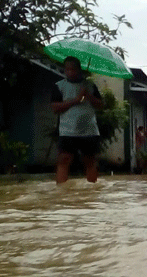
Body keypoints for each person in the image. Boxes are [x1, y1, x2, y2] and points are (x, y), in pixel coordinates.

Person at [50, 56, 104, 184]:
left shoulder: (90, 85)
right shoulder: (59, 86)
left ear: (79, 70)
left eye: (73, 69)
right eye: (67, 69)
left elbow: (101, 105)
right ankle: (61, 190)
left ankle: (92, 190)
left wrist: (89, 96)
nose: (70, 72)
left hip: (89, 130)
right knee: (64, 159)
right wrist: (76, 99)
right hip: (68, 130)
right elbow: (55, 107)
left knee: (90, 160)